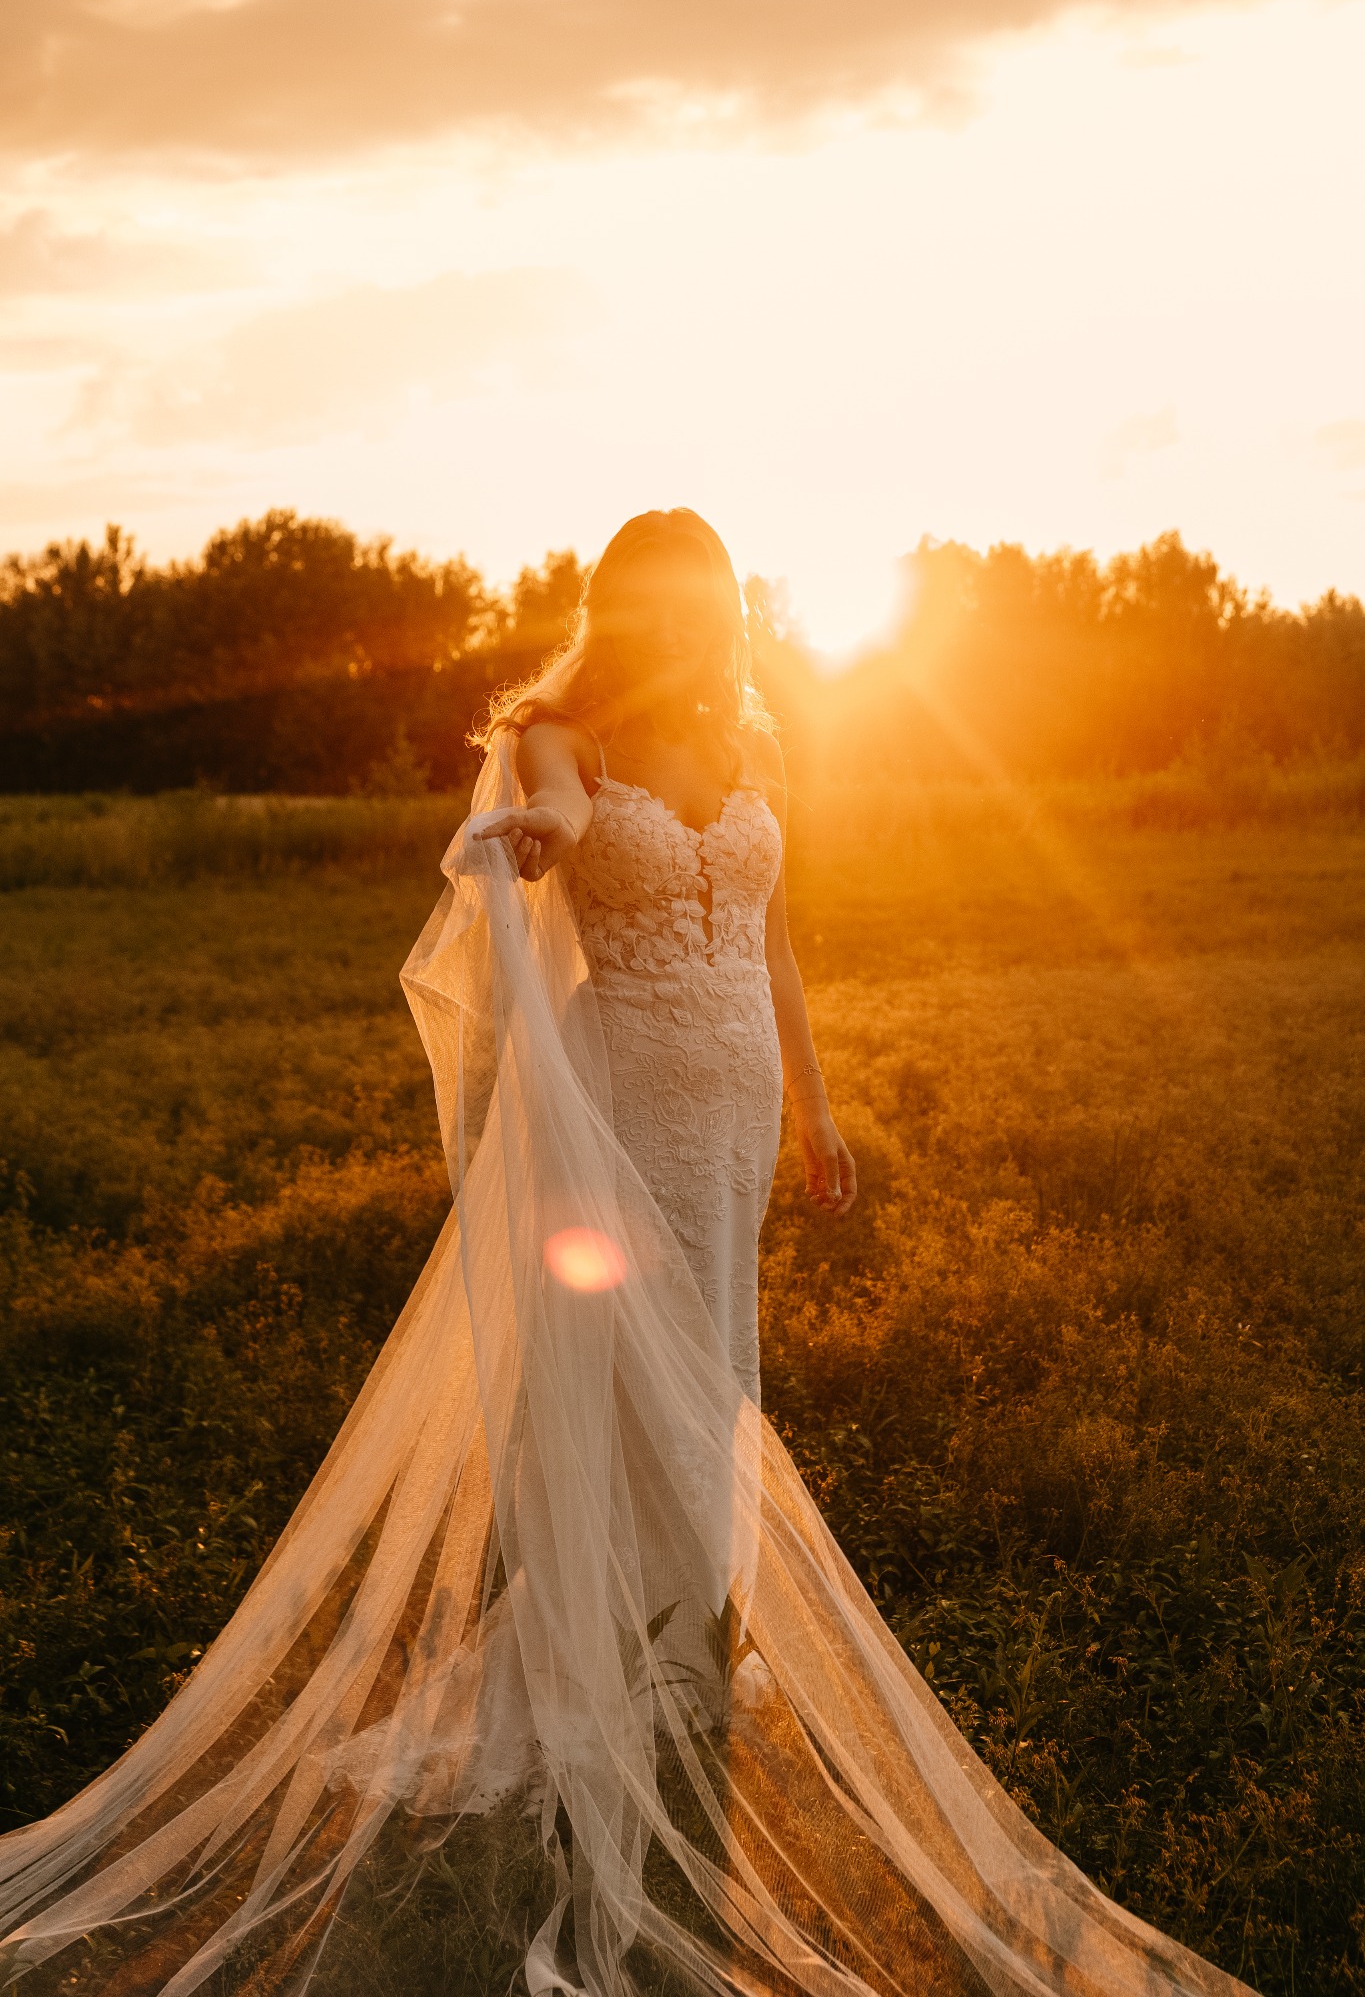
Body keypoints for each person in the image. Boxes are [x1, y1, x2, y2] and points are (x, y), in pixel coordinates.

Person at [0, 511, 1250, 1997]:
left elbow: (774, 929)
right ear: (611, 609)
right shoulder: (561, 742)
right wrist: (543, 835)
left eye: (698, 602)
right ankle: (602, 1652)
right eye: (647, 606)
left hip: (738, 1095)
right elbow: (572, 830)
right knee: (614, 1378)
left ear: (723, 607)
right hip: (630, 1093)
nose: (677, 627)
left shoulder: (751, 740)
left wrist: (820, 1104)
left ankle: (687, 1638)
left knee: (715, 1370)